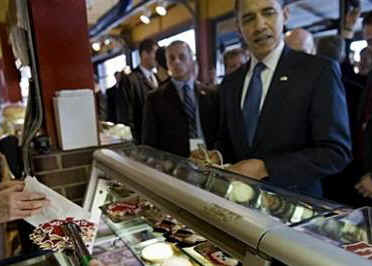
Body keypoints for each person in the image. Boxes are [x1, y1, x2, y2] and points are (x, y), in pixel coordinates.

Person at [217, 0, 351, 197]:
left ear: (285, 15)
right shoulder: (230, 83)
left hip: (296, 210)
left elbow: (335, 152)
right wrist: (215, 156)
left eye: (268, 13)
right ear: (238, 27)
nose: (260, 25)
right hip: (240, 207)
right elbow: (226, 141)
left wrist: (265, 168)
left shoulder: (318, 71)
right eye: (248, 18)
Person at [142, 41, 219, 157]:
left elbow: (219, 132)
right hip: (175, 165)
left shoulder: (210, 94)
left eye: (182, 57)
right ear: (167, 64)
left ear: (191, 60)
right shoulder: (155, 98)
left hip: (209, 159)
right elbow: (149, 143)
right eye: (171, 58)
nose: (176, 62)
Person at [117, 39, 159, 144]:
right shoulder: (130, 79)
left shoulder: (158, 78)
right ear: (144, 54)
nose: (158, 58)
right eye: (155, 53)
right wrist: (133, 141)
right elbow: (125, 114)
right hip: (141, 140)